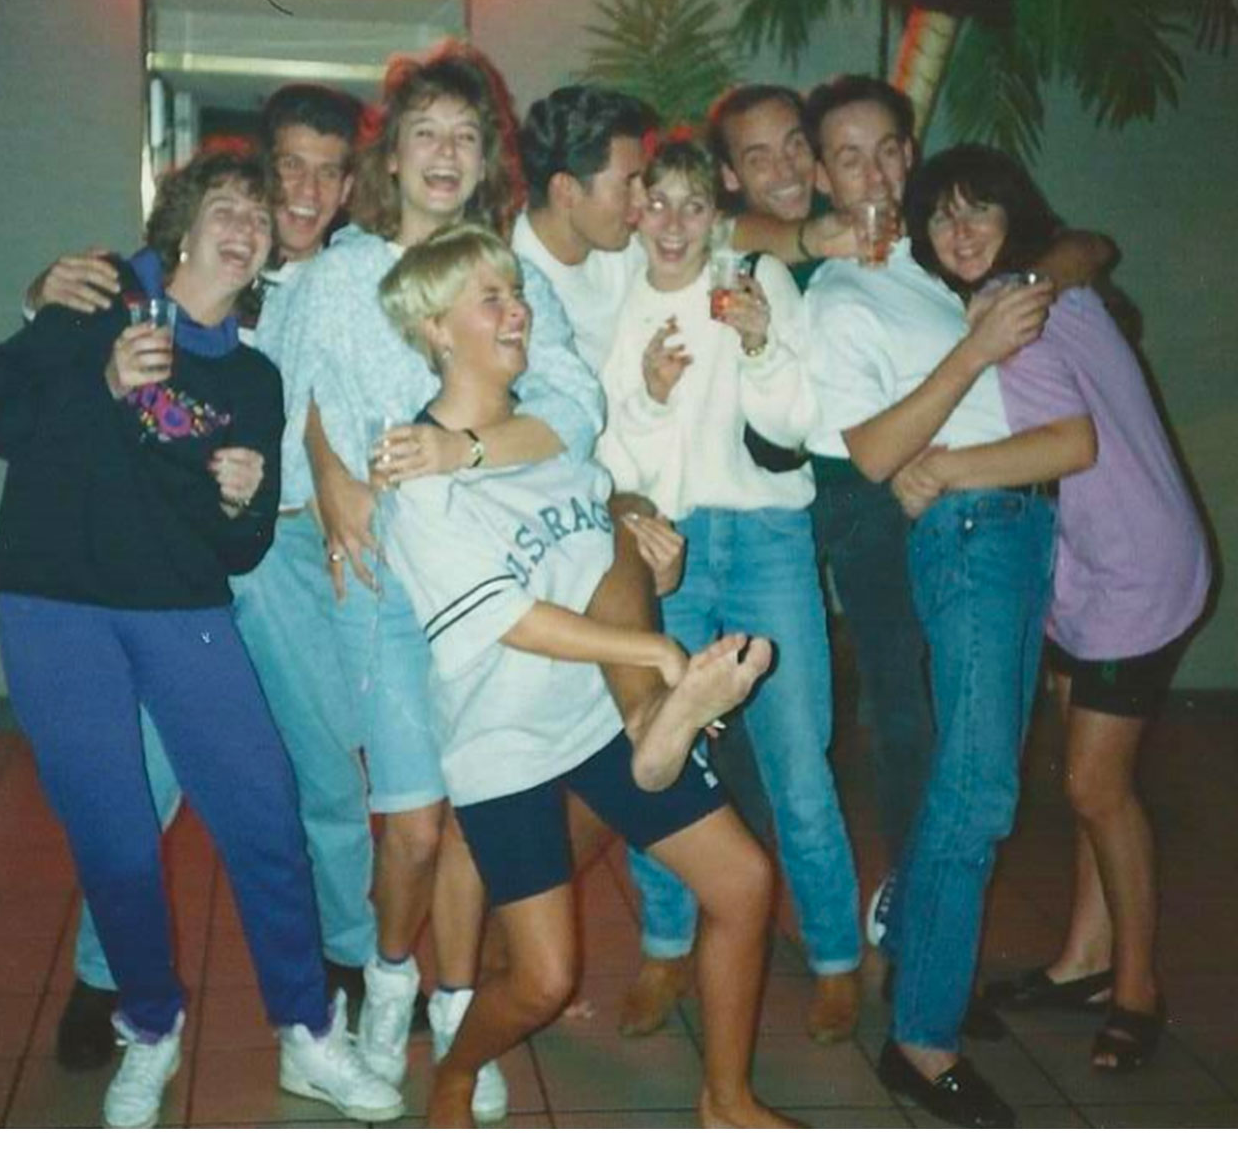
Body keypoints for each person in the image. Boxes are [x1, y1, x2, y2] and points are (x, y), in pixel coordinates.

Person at [0, 151, 400, 1127]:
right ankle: (151, 1025)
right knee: (116, 837)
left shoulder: (251, 374)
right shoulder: (91, 306)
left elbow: (238, 540)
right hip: (54, 602)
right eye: (224, 207)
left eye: (258, 216)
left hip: (179, 605)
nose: (244, 225)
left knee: (264, 814)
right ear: (182, 224)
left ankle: (306, 1032)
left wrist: (240, 499)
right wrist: (102, 379)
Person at [377, 222, 797, 1129]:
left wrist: (646, 534)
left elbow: (595, 519)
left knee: (743, 884)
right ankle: (454, 1072)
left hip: (603, 719)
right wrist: (651, 651)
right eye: (492, 298)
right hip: (510, 747)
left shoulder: (546, 438)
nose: (517, 308)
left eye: (516, 291)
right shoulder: (420, 479)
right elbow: (512, 622)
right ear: (437, 330)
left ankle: (726, 1100)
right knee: (541, 981)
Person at [282, 41, 607, 1122]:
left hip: (494, 576)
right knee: (412, 823)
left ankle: (456, 1004)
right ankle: (386, 990)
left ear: (485, 160)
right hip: (384, 580)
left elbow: (572, 408)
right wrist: (330, 477)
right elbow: (302, 400)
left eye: (465, 135)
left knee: (476, 819)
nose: (443, 151)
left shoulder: (500, 268)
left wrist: (463, 453)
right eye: (423, 130)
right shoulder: (338, 273)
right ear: (391, 150)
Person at [513, 84, 860, 1041]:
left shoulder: (756, 280)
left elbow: (796, 425)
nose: (669, 222)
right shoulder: (619, 303)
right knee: (665, 755)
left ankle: (836, 958)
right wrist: (655, 394)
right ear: (636, 211)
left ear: (718, 215)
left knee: (799, 760)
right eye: (653, 203)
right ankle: (665, 953)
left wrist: (753, 345)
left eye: (691, 206)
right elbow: (614, 460)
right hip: (672, 546)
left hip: (769, 542)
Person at [802, 77, 1083, 1127]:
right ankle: (919, 1037)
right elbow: (871, 450)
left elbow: (1070, 257)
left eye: (886, 151)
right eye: (845, 156)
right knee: (975, 794)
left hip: (1010, 531)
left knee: (980, 781)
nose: (872, 173)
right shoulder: (838, 297)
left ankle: (920, 949)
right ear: (820, 175)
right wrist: (970, 358)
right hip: (967, 541)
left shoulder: (923, 267)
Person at [900, 146, 1212, 1073]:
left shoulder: (1019, 311)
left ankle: (1139, 988)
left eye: (979, 213)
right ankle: (1084, 958)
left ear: (1013, 221)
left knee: (1093, 787)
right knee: (1090, 772)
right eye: (943, 216)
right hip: (1087, 565)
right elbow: (1088, 250)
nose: (960, 232)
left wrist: (943, 469)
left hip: (1133, 570)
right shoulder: (1037, 290)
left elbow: (1065, 447)